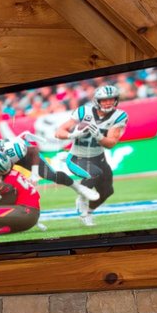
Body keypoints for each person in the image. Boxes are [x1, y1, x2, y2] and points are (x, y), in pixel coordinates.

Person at [54, 82, 134, 227]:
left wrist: (99, 136)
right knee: (93, 174)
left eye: (111, 99)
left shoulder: (119, 116)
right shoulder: (84, 111)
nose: (108, 102)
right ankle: (82, 199)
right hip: (77, 157)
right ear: (97, 101)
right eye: (104, 100)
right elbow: (59, 132)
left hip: (99, 158)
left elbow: (110, 143)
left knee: (107, 191)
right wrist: (72, 134)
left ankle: (87, 213)